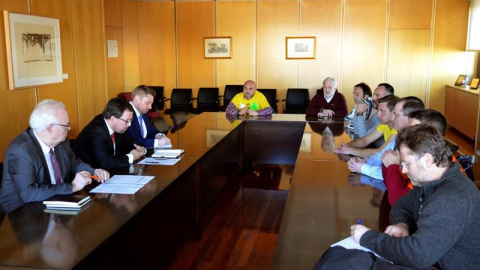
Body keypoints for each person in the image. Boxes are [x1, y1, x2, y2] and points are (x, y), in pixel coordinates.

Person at [351, 125, 480, 269]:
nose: (404, 170)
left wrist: (367, 238)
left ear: (427, 160)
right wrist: (402, 224)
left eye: (407, 164)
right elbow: (402, 204)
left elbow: (417, 255)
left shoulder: (451, 198)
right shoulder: (430, 183)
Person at [0, 100, 109, 213]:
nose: (69, 128)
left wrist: (93, 171)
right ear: (50, 128)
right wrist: (72, 186)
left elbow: (74, 163)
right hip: (22, 212)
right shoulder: (21, 151)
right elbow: (28, 193)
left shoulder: (61, 142)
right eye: (66, 125)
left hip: (55, 203)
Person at [347, 96, 425, 179]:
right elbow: (380, 156)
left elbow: (393, 174)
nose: (393, 118)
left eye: (396, 115)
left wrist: (363, 168)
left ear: (410, 118)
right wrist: (365, 161)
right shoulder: (400, 136)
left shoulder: (417, 143)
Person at [381, 109, 447, 206]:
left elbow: (398, 202)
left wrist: (392, 166)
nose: (407, 135)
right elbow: (393, 187)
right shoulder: (416, 158)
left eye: (414, 131)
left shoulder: (432, 170)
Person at [74, 98, 146, 170]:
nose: (129, 124)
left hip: (110, 172)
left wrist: (141, 150)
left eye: (131, 120)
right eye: (126, 121)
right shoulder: (96, 131)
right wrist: (131, 157)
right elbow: (106, 162)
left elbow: (130, 142)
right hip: (90, 175)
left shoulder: (117, 127)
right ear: (113, 119)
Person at [334, 95, 399, 157]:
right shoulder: (385, 125)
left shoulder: (397, 130)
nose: (378, 114)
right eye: (378, 110)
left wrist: (350, 151)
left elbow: (380, 152)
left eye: (382, 111)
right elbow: (365, 140)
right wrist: (347, 145)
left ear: (394, 112)